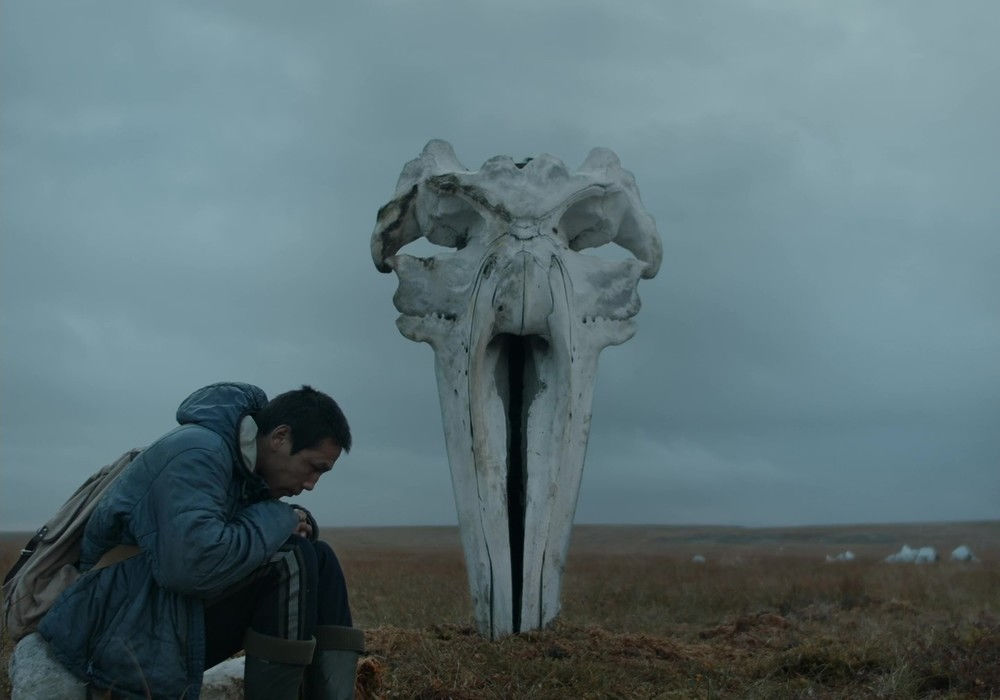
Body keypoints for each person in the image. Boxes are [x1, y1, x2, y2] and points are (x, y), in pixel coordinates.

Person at [37, 382, 363, 699]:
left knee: (319, 558)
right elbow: (189, 566)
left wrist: (291, 521)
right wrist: (281, 519)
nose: (311, 484)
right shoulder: (197, 452)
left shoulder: (244, 465)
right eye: (312, 468)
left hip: (156, 609)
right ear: (280, 437)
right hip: (111, 626)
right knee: (292, 559)